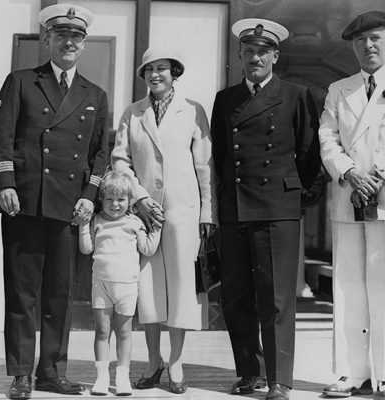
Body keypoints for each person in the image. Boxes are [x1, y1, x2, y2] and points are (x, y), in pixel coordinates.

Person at [0, 3, 109, 399]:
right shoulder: (21, 81)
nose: (68, 42)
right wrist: (3, 182)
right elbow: (0, 137)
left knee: (59, 293)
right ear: (47, 39)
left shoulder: (95, 93)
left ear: (83, 44)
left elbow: (100, 154)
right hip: (24, 201)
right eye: (61, 36)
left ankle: (52, 370)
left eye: (76, 37)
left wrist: (91, 196)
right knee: (22, 292)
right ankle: (21, 373)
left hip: (69, 206)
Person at [319, 10, 385, 399]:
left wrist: (376, 179)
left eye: (376, 39)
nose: (369, 46)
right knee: (349, 288)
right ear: (352, 45)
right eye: (361, 40)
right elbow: (327, 138)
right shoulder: (339, 89)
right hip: (350, 198)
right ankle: (351, 373)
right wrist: (350, 174)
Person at [211, 18, 321, 400]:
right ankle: (249, 374)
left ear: (275, 55)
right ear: (240, 55)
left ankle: (279, 380)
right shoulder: (225, 99)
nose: (255, 57)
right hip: (235, 207)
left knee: (275, 299)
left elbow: (310, 153)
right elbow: (221, 155)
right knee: (237, 296)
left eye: (262, 51)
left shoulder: (295, 94)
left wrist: (292, 194)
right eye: (248, 51)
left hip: (276, 207)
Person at [111, 47, 217, 394]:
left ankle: (176, 362)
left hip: (182, 212)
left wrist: (206, 212)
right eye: (149, 70)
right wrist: (138, 197)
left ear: (174, 73)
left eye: (162, 69)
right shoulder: (133, 113)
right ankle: (153, 360)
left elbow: (204, 165)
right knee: (148, 289)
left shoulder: (193, 111)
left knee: (183, 288)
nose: (155, 75)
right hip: (144, 213)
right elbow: (120, 160)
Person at [79, 171, 162, 396]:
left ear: (129, 201)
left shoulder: (135, 222)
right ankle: (101, 378)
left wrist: (156, 227)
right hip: (101, 285)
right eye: (109, 199)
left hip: (127, 286)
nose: (115, 205)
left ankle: (122, 377)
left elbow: (147, 249)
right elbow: (86, 248)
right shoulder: (97, 221)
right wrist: (83, 225)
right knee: (102, 331)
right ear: (101, 200)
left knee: (124, 332)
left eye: (121, 200)